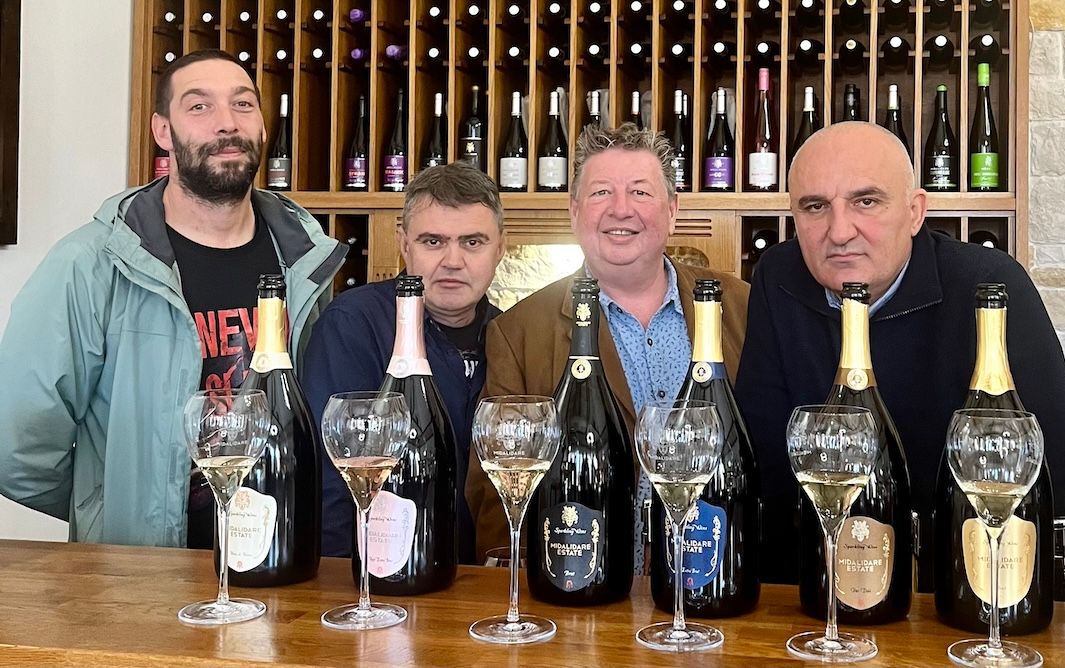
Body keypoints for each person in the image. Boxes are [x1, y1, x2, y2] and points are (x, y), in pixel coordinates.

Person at [0, 50, 345, 548]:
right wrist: (104, 504)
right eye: (199, 107)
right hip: (143, 573)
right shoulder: (91, 263)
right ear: (163, 131)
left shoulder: (305, 259)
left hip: (282, 558)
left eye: (243, 104)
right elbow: (16, 444)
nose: (227, 123)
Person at [736, 122, 1065, 585]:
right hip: (818, 587)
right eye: (815, 206)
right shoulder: (777, 277)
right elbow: (762, 461)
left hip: (959, 587)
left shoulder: (988, 286)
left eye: (866, 201)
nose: (839, 232)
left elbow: (1059, 472)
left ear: (916, 211)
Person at [464, 123, 750, 568]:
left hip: (725, 579)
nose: (621, 209)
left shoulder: (742, 307)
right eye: (601, 193)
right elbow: (495, 493)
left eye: (640, 192)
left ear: (672, 210)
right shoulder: (518, 332)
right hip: (587, 586)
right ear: (574, 211)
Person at [304, 162, 506, 563]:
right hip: (381, 575)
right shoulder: (354, 324)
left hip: (475, 578)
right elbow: (331, 477)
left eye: (472, 242)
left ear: (500, 248)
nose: (452, 260)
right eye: (433, 241)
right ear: (404, 244)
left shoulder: (510, 335)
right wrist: (338, 583)